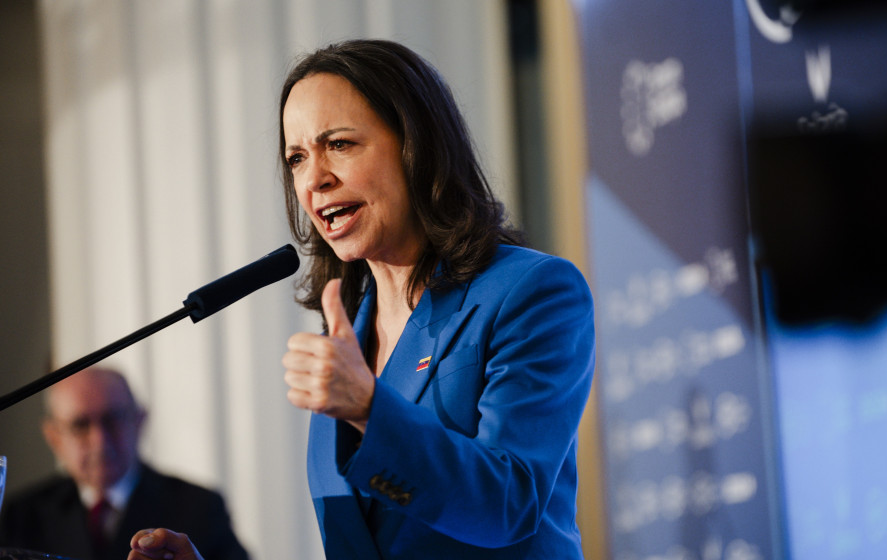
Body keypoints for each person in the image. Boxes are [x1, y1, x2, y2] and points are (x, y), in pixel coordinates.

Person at [128, 38, 595, 560]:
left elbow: (510, 502)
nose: (315, 179)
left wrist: (371, 409)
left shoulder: (530, 292)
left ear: (417, 146)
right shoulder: (348, 335)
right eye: (297, 157)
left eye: (340, 145)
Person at [0, 366, 249, 560]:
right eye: (80, 425)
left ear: (139, 421)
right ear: (54, 437)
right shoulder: (22, 515)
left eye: (113, 420)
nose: (99, 441)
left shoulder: (199, 506)